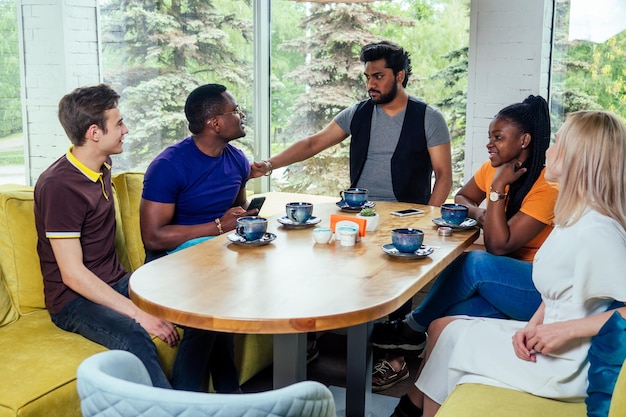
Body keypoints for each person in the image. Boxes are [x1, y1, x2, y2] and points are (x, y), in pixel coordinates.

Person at [391, 110, 626, 417]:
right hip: (545, 344)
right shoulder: (573, 218)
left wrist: (565, 331)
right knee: (446, 331)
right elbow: (556, 293)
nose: (548, 152)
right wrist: (531, 327)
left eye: (556, 144)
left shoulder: (599, 231)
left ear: (578, 158)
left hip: (564, 366)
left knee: (455, 341)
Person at [250, 40, 453, 361]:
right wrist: (269, 165)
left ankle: (392, 352)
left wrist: (424, 222)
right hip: (358, 214)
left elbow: (444, 176)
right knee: (327, 271)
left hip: (404, 218)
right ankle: (312, 337)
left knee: (393, 288)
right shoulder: (358, 113)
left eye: (379, 76)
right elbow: (313, 142)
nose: (371, 84)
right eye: (368, 77)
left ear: (400, 76)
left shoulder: (429, 117)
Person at [371, 95, 559, 391]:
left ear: (524, 140)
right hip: (507, 281)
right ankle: (414, 400)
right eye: (489, 137)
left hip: (540, 292)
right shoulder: (493, 167)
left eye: (498, 137)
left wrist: (497, 189)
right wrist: (481, 213)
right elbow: (461, 198)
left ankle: (411, 327)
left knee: (473, 262)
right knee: (447, 321)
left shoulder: (547, 183)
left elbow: (498, 246)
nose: (489, 144)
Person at [34, 84, 178, 390]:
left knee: (187, 304)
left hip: (115, 281)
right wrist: (139, 315)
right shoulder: (59, 187)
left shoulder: (101, 165)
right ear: (94, 133)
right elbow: (72, 275)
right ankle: (171, 410)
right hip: (72, 301)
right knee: (135, 334)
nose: (126, 129)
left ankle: (209, 392)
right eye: (119, 123)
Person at [140, 83, 258, 392]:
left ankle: (230, 396)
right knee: (207, 318)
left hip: (214, 259)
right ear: (215, 123)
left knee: (226, 305)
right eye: (236, 111)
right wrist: (218, 226)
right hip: (169, 262)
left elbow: (238, 209)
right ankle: (190, 402)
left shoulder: (237, 160)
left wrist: (245, 219)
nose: (242, 116)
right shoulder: (168, 165)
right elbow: (153, 238)